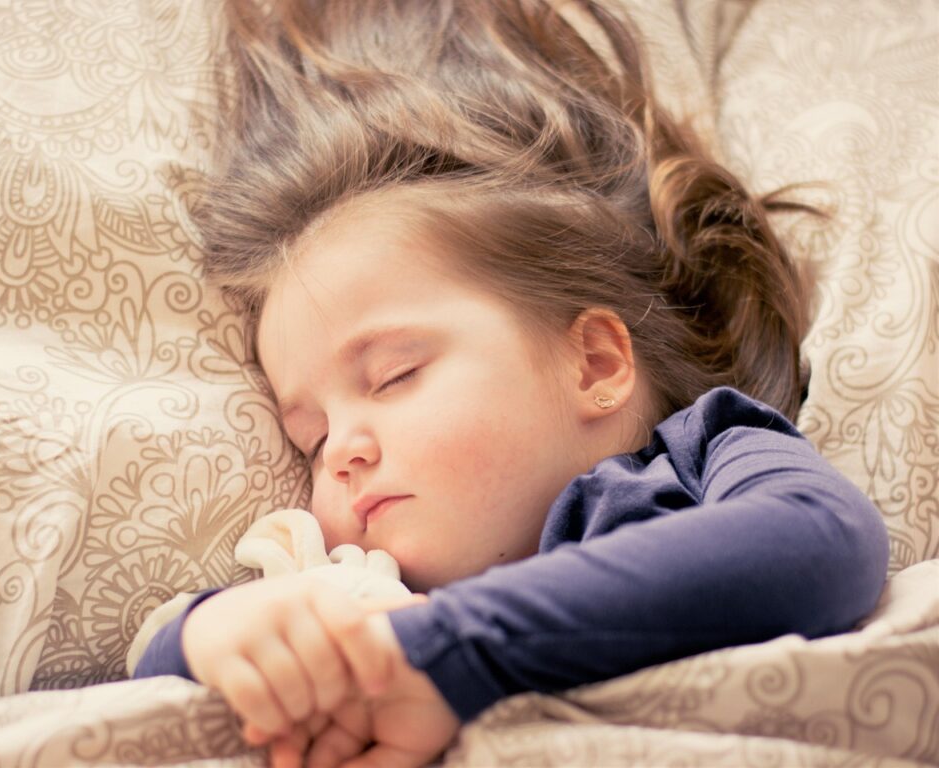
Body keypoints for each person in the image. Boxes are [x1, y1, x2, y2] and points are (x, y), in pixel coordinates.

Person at [133, 1, 890, 766]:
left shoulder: (701, 459)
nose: (340, 456)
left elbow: (823, 538)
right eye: (311, 438)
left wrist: (446, 654)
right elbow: (159, 683)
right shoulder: (351, 587)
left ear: (593, 364)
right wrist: (208, 631)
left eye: (394, 376)